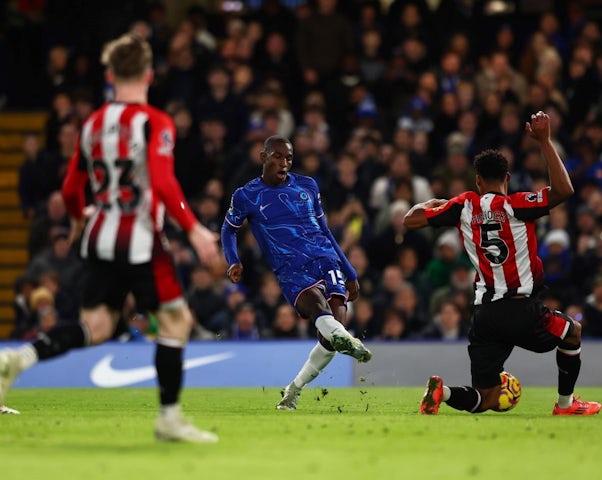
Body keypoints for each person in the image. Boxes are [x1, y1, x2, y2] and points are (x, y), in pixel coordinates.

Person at [0, 34, 219, 443]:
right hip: (140, 239)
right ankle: (169, 417)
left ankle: (18, 357)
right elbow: (163, 180)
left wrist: (80, 216)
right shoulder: (155, 121)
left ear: (110, 75)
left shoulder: (92, 124)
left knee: (96, 326)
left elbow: (69, 188)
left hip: (99, 237)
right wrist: (192, 227)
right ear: (150, 75)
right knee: (176, 321)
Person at [403, 111, 601, 416]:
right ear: (507, 178)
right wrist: (545, 141)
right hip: (521, 308)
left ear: (478, 180)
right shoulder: (516, 205)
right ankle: (566, 404)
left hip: (484, 315)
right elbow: (564, 190)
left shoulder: (464, 205)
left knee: (488, 400)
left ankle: (442, 394)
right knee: (572, 331)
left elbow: (410, 220)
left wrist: (428, 204)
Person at [221, 135, 372, 411]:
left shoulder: (308, 186)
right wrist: (233, 260)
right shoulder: (247, 195)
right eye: (277, 156)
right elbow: (228, 228)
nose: (284, 163)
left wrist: (350, 271)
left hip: (325, 259)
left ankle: (294, 390)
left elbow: (325, 230)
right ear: (263, 157)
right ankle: (346, 343)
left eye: (289, 158)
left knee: (330, 335)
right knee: (320, 312)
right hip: (289, 267)